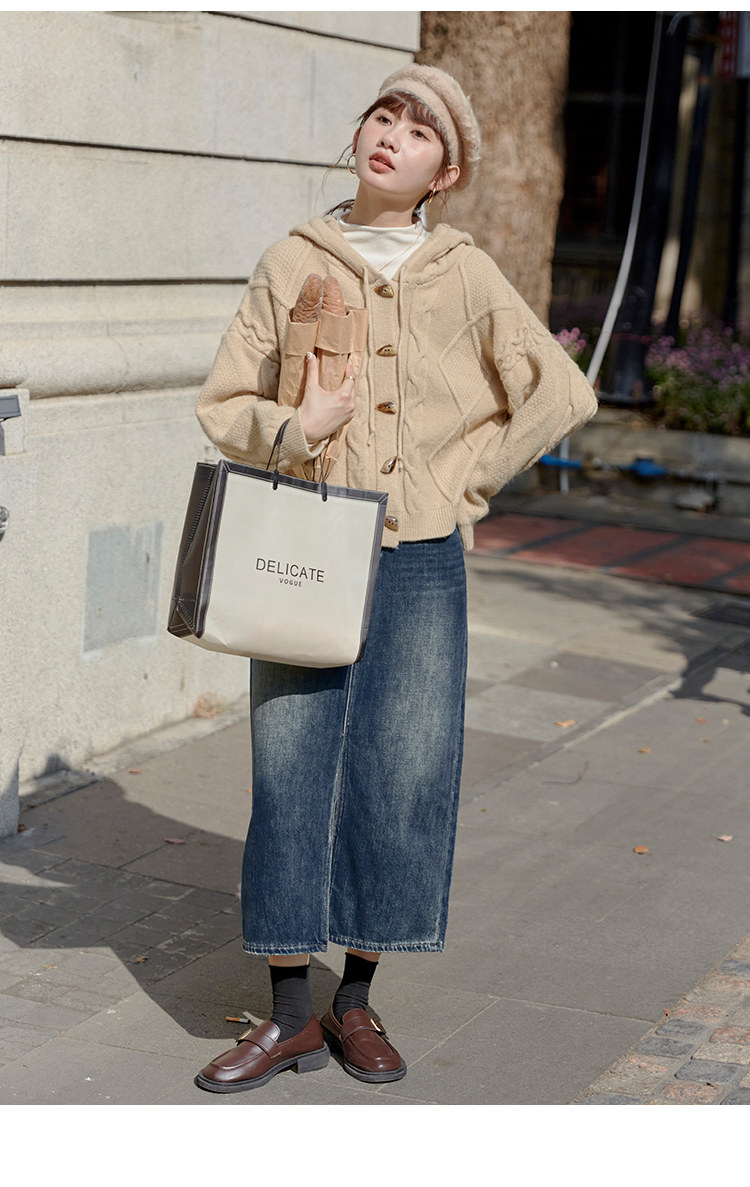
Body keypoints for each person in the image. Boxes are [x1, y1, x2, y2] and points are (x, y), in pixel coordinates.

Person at [192, 64, 597, 1094]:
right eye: (384, 117)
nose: (392, 137)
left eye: (419, 133)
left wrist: (464, 480)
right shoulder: (292, 258)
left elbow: (559, 392)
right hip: (307, 544)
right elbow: (223, 402)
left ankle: (357, 1000)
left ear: (443, 173)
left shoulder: (465, 272)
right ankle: (290, 1014)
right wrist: (297, 427)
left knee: (403, 772)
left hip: (419, 560)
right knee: (290, 768)